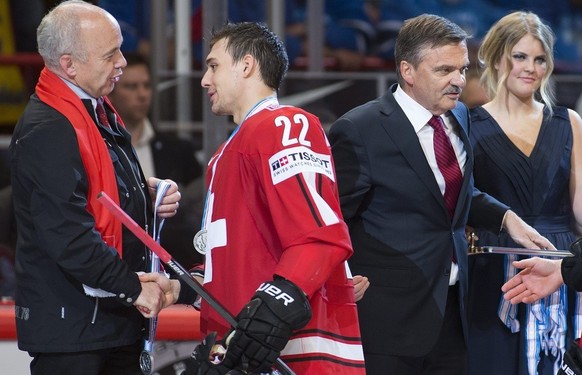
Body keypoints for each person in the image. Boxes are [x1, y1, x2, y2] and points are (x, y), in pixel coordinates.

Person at [328, 13, 555, 375]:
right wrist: (338, 276)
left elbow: (452, 192)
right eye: (445, 70)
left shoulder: (459, 115)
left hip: (453, 309)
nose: (459, 81)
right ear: (408, 71)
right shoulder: (359, 128)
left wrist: (506, 218)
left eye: (463, 69)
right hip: (387, 319)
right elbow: (332, 216)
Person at [176, 21, 367, 374]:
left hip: (295, 353)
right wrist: (182, 287)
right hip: (244, 350)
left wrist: (278, 303)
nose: (204, 79)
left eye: (214, 65)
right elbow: (244, 253)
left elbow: (320, 236)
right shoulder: (228, 152)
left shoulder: (284, 124)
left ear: (246, 65)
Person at [8, 1, 182, 374]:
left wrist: (141, 194)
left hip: (103, 326)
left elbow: (93, 195)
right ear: (69, 64)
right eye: (110, 53)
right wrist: (134, 288)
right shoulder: (50, 127)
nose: (122, 61)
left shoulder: (94, 110)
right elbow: (68, 235)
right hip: (77, 336)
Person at [467, 11, 582, 375]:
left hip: (559, 265)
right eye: (520, 56)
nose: (530, 68)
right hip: (494, 269)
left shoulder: (569, 122)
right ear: (499, 58)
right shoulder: (466, 123)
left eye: (539, 59)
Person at [107, 52, 204, 268]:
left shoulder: (179, 150)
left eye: (146, 86)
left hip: (177, 261)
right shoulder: (102, 148)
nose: (142, 94)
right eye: (131, 87)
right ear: (110, 93)